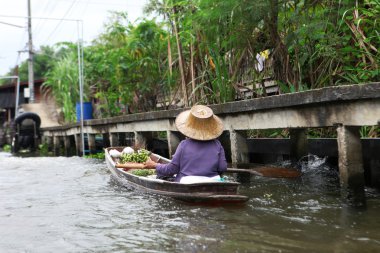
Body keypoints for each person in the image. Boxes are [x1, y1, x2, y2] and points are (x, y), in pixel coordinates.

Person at [144, 105, 227, 183]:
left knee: (160, 176)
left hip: (188, 182)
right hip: (213, 181)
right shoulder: (217, 144)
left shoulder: (184, 145)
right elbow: (222, 168)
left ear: (190, 127)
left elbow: (172, 169)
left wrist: (155, 165)